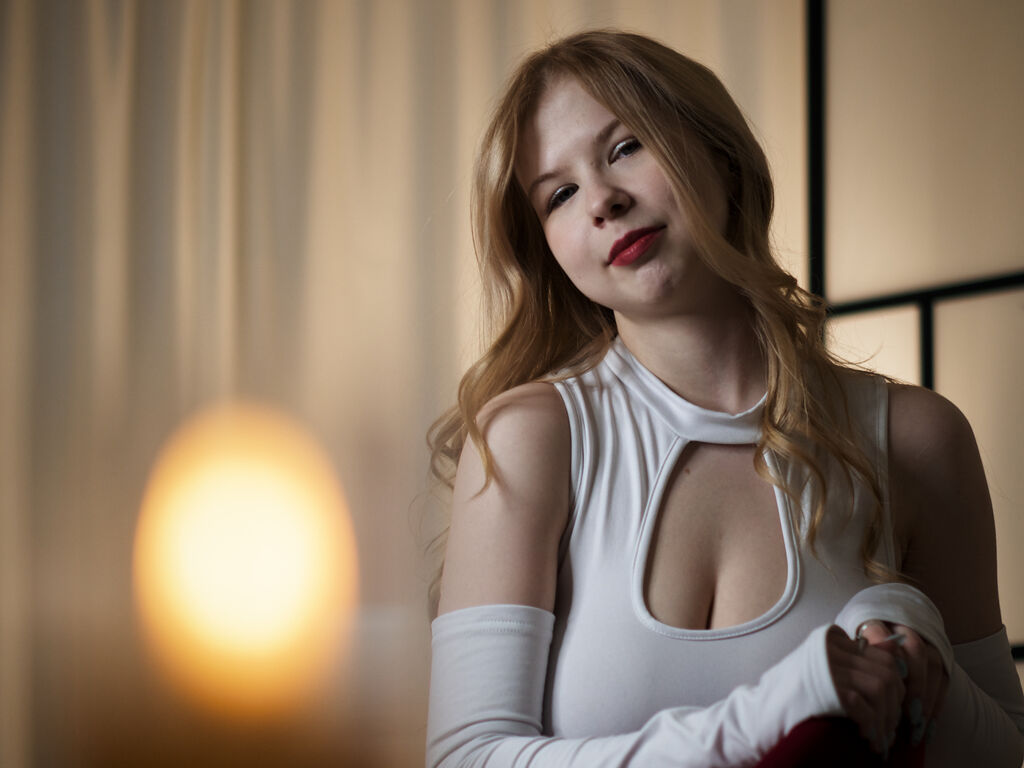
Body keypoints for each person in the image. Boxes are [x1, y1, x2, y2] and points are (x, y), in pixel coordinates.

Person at [425, 30, 1024, 767]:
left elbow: (1004, 754)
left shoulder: (917, 440)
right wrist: (769, 714)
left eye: (625, 148)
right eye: (560, 194)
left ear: (720, 154)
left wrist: (911, 635)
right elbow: (467, 757)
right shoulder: (529, 439)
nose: (603, 202)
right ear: (546, 246)